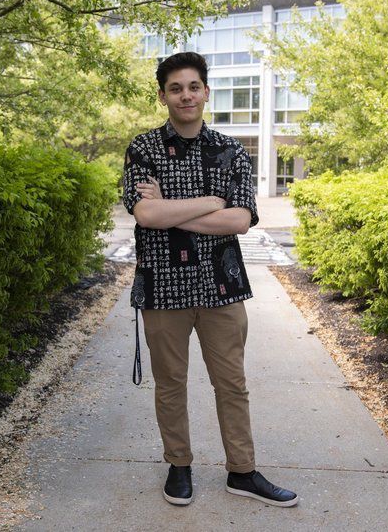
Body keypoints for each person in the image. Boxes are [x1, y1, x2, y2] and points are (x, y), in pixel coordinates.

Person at [121, 52, 298, 507]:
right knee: (170, 384)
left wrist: (173, 212)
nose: (186, 95)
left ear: (205, 91)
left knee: (232, 384)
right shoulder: (143, 149)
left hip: (222, 285)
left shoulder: (231, 149)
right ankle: (178, 465)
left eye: (193, 86)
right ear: (163, 95)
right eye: (176, 88)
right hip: (164, 287)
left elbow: (241, 221)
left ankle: (242, 471)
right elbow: (145, 213)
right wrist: (211, 202)